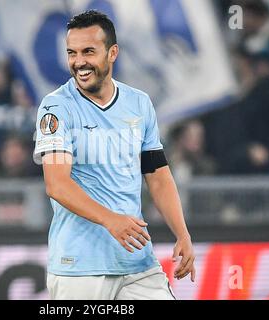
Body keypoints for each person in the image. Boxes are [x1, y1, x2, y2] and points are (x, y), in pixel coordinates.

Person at [33, 10, 195, 300]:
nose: (78, 62)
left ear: (112, 53)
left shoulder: (139, 103)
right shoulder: (56, 107)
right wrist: (112, 220)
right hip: (80, 268)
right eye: (71, 53)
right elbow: (56, 184)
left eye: (88, 51)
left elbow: (157, 176)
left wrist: (182, 234)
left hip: (137, 264)